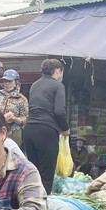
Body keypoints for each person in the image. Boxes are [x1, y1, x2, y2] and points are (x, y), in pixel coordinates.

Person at [24, 58, 69, 194]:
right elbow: (59, 111)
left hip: (29, 130)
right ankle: (42, 206)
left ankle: (30, 202)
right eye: (61, 72)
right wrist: (65, 128)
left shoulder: (34, 85)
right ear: (57, 71)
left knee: (34, 172)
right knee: (47, 174)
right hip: (46, 131)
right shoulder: (58, 86)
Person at [0, 69, 29, 148]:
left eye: (10, 81)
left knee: (13, 156)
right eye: (5, 81)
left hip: (14, 132)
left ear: (16, 82)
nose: (7, 83)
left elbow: (24, 119)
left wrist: (14, 118)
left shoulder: (22, 99)